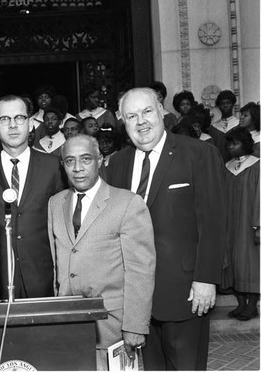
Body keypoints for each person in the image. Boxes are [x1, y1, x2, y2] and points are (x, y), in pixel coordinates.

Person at [104, 87, 227, 370]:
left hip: (185, 291)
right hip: (134, 299)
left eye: (147, 111)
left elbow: (213, 221)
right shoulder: (118, 163)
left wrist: (206, 278)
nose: (141, 121)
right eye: (131, 116)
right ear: (123, 122)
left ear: (161, 111)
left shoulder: (199, 153)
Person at [48, 134, 155, 370]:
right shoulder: (55, 203)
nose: (77, 168)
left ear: (101, 160)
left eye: (86, 159)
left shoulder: (127, 203)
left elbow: (140, 270)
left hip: (113, 327)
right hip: (69, 325)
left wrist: (135, 325)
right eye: (69, 161)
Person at [0, 94, 66, 298]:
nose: (12, 125)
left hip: (45, 278)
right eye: (4, 119)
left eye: (19, 118)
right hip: (0, 280)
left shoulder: (54, 167)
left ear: (31, 123)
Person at [221, 127, 260, 321]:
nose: (230, 147)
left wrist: (258, 225)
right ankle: (241, 304)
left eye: (234, 143)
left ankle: (252, 306)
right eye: (228, 144)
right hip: (230, 225)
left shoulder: (257, 166)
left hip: (248, 224)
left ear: (245, 144)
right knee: (234, 263)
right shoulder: (226, 167)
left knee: (250, 264)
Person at [209, 90, 239, 162]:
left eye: (228, 103)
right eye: (222, 103)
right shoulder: (213, 128)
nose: (225, 105)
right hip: (218, 164)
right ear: (218, 106)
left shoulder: (239, 125)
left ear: (233, 104)